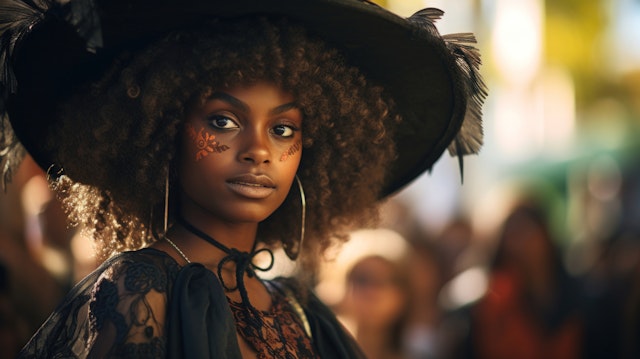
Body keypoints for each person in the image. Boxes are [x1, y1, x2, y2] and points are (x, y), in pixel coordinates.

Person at [0, 0, 486, 357]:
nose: (258, 151)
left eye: (282, 129)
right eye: (223, 122)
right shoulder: (138, 289)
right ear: (162, 130)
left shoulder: (299, 313)